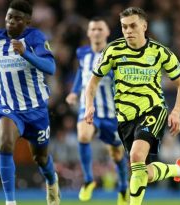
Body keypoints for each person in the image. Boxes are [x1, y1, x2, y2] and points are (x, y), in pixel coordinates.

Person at [84, 7, 180, 205]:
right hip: (125, 118)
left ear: (144, 26)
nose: (128, 31)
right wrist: (89, 105)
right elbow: (92, 82)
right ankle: (178, 170)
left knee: (136, 156)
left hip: (153, 110)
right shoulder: (113, 50)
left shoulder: (160, 53)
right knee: (143, 172)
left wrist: (176, 111)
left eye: (133, 26)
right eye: (124, 27)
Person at [0, 1, 60, 205]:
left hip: (36, 110)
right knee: (5, 143)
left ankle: (52, 181)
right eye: (9, 17)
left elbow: (50, 68)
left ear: (27, 21)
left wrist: (26, 53)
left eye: (17, 18)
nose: (11, 22)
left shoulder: (35, 38)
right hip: (8, 106)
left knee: (40, 159)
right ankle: (10, 202)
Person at [66, 18, 129, 205]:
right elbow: (81, 73)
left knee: (117, 155)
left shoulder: (116, 54)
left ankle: (124, 187)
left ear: (107, 32)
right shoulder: (82, 53)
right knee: (83, 136)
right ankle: (88, 180)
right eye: (93, 29)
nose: (96, 32)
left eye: (100, 29)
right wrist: (74, 92)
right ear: (88, 33)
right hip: (89, 108)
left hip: (111, 113)